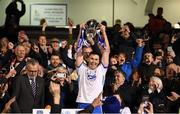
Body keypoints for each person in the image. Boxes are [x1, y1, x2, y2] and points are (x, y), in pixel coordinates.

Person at [75, 24, 110, 113]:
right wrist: (81, 32)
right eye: (92, 59)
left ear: (99, 61)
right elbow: (78, 50)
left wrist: (103, 32)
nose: (93, 61)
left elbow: (107, 51)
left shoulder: (102, 69)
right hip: (82, 102)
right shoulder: (81, 68)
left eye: (96, 59)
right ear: (87, 58)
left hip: (97, 103)